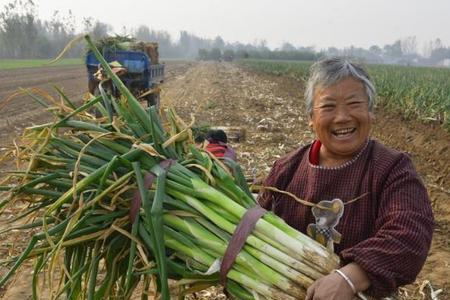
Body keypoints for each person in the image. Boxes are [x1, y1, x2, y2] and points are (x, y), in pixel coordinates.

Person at [258, 57, 434, 299]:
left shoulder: (392, 169)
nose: (342, 117)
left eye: (354, 104)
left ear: (370, 112)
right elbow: (254, 230)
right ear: (311, 117)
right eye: (328, 107)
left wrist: (350, 277)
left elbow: (409, 234)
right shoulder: (286, 170)